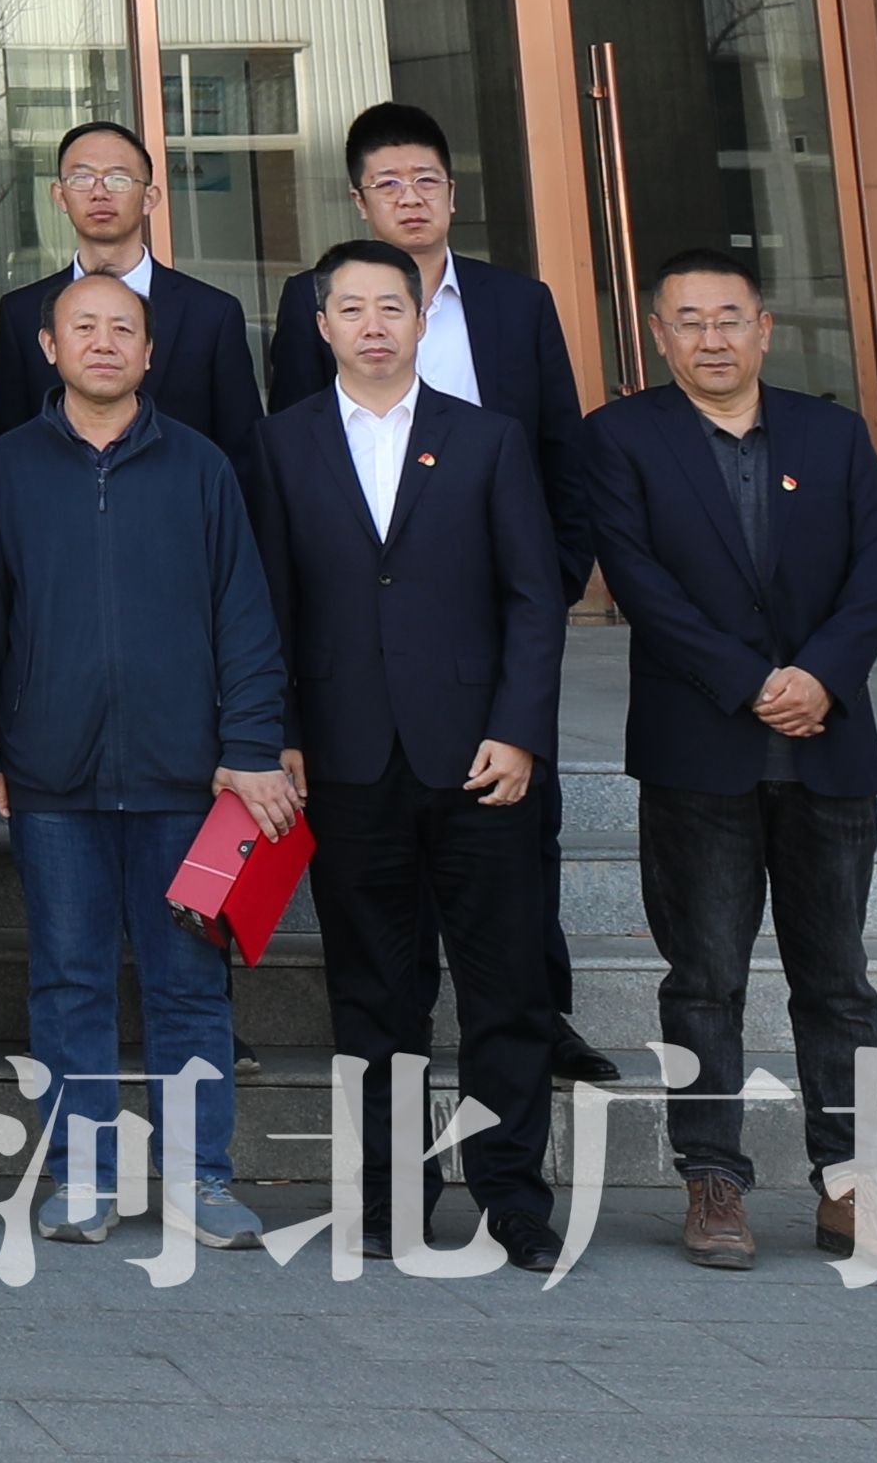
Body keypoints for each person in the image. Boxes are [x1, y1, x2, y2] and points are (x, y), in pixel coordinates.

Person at [264, 101, 608, 1086]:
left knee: (518, 846)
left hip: (487, 631)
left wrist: (546, 588)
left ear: (453, 194)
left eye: (426, 180)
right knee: (382, 918)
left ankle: (545, 1019)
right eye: (388, 183)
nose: (409, 197)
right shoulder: (316, 302)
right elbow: (299, 471)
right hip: (360, 664)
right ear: (359, 199)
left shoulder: (516, 302)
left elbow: (560, 453)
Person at [257, 239, 573, 1266]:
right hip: (345, 759)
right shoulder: (281, 444)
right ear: (322, 328)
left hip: (481, 758)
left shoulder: (487, 439)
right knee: (374, 996)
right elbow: (268, 608)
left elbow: (534, 600)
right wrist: (281, 735)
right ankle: (391, 1196)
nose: (373, 325)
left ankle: (512, 1196)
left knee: (504, 988)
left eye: (391, 306)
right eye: (350, 308)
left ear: (421, 320)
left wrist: (520, 730)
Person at [586, 247, 877, 1271]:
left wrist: (821, 677)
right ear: (658, 335)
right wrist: (751, 681)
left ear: (764, 329)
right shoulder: (620, 437)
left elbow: (876, 568)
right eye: (688, 320)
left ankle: (850, 1186)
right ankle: (712, 1178)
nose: (711, 338)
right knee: (704, 978)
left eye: (729, 317)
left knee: (839, 983)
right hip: (699, 748)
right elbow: (639, 579)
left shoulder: (833, 433)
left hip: (827, 746)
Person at [0, 262, 291, 1248]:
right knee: (69, 981)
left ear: (150, 353)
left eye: (122, 329)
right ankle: (82, 1177)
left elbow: (246, 619)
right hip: (51, 776)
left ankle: (202, 1178)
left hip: (187, 778)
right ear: (48, 347)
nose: (103, 342)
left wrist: (251, 745)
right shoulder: (7, 469)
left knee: (189, 986)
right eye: (83, 326)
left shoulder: (201, 466)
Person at [0, 118, 269, 489]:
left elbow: (241, 454)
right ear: (59, 195)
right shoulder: (21, 313)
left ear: (150, 197)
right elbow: (8, 447)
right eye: (82, 178)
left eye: (118, 179)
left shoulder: (212, 313)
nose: (99, 192)